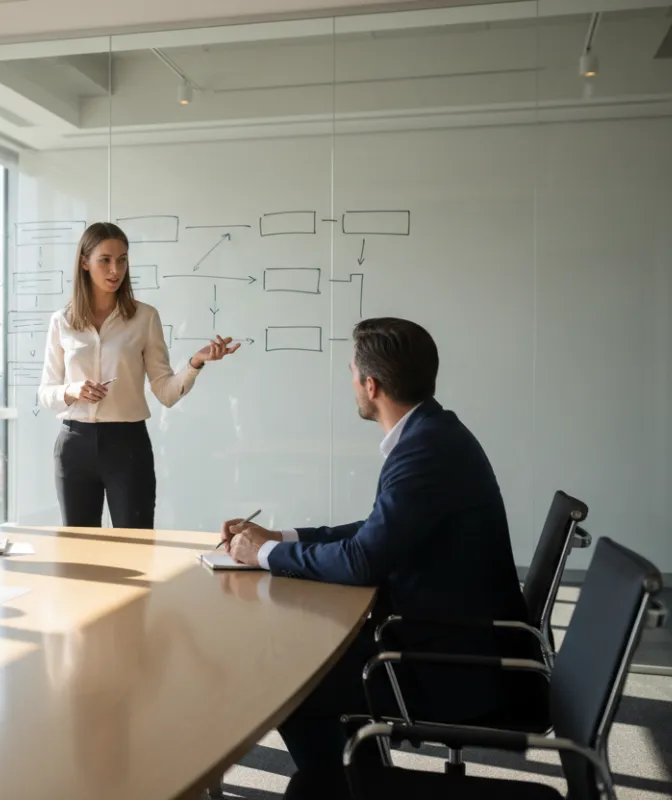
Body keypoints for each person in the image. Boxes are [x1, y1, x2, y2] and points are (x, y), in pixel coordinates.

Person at [220, 317, 532, 774]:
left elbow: (363, 559)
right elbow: (376, 531)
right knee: (306, 660)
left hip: (450, 664)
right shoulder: (432, 434)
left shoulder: (425, 450)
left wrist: (262, 555)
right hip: (441, 633)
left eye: (351, 373)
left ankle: (342, 785)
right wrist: (281, 537)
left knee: (289, 684)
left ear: (371, 385)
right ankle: (356, 781)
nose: (351, 384)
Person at [39, 221, 240, 528]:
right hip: (74, 445)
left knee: (137, 545)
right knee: (78, 550)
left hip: (127, 445)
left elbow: (166, 392)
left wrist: (196, 363)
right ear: (84, 262)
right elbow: (46, 393)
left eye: (122, 259)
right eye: (105, 260)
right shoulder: (62, 321)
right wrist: (73, 390)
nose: (114, 270)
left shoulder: (145, 317)